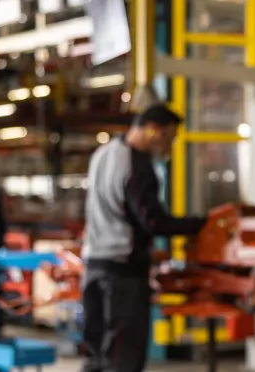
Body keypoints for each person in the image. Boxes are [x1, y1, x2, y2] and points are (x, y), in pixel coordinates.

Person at [81, 104, 207, 372]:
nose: (168, 147)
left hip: (94, 265)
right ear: (153, 130)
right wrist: (200, 225)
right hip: (122, 274)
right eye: (168, 138)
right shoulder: (136, 164)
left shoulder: (103, 153)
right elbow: (153, 221)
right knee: (123, 358)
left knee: (98, 353)